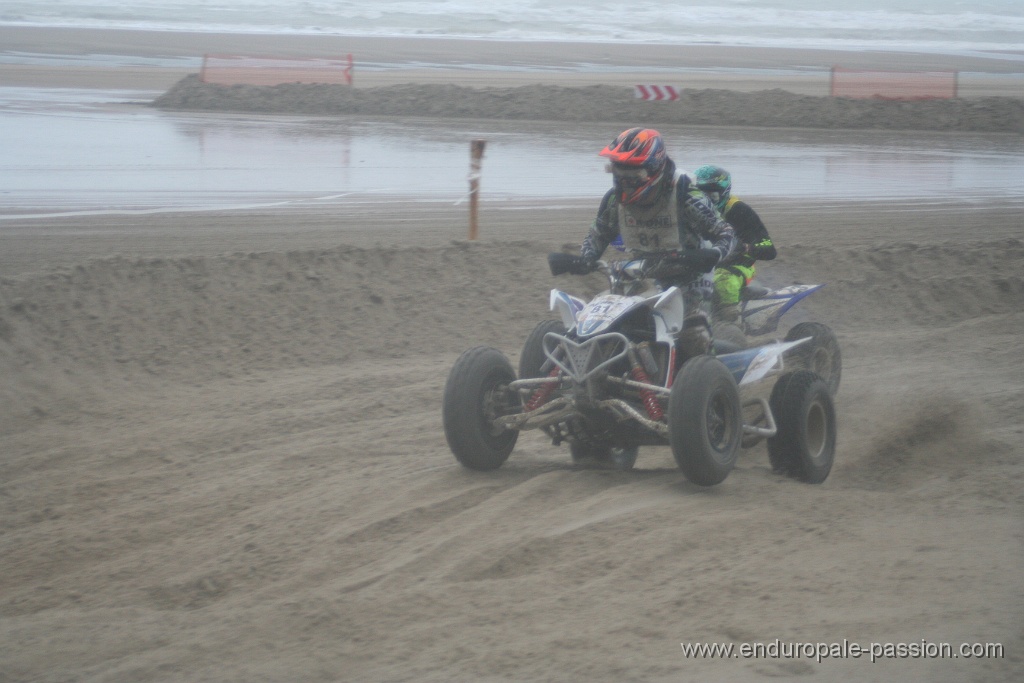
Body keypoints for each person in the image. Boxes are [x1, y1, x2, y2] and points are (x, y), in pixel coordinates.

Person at [578, 128, 738, 359]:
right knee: (604, 325)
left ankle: (709, 377)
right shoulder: (614, 200)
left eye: (633, 178)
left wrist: (713, 254)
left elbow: (726, 234)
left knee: (694, 336)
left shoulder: (686, 196)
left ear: (654, 170)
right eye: (619, 175)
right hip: (642, 274)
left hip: (690, 274)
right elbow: (597, 235)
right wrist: (585, 258)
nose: (625, 184)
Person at [693, 164, 777, 323]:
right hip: (701, 263)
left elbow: (769, 249)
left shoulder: (739, 211)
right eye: (699, 195)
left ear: (723, 192)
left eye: (712, 195)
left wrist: (745, 247)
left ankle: (731, 325)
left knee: (724, 280)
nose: (705, 200)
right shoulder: (690, 211)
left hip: (738, 265)